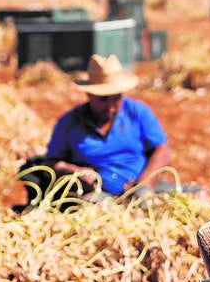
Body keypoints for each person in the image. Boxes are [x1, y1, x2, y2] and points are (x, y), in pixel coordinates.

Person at [42, 54, 173, 201]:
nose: (110, 106)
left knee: (198, 196)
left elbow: (162, 149)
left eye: (116, 98)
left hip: (141, 187)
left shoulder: (137, 112)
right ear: (89, 95)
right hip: (99, 194)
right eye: (103, 99)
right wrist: (75, 172)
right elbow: (51, 165)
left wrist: (144, 185)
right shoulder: (70, 122)